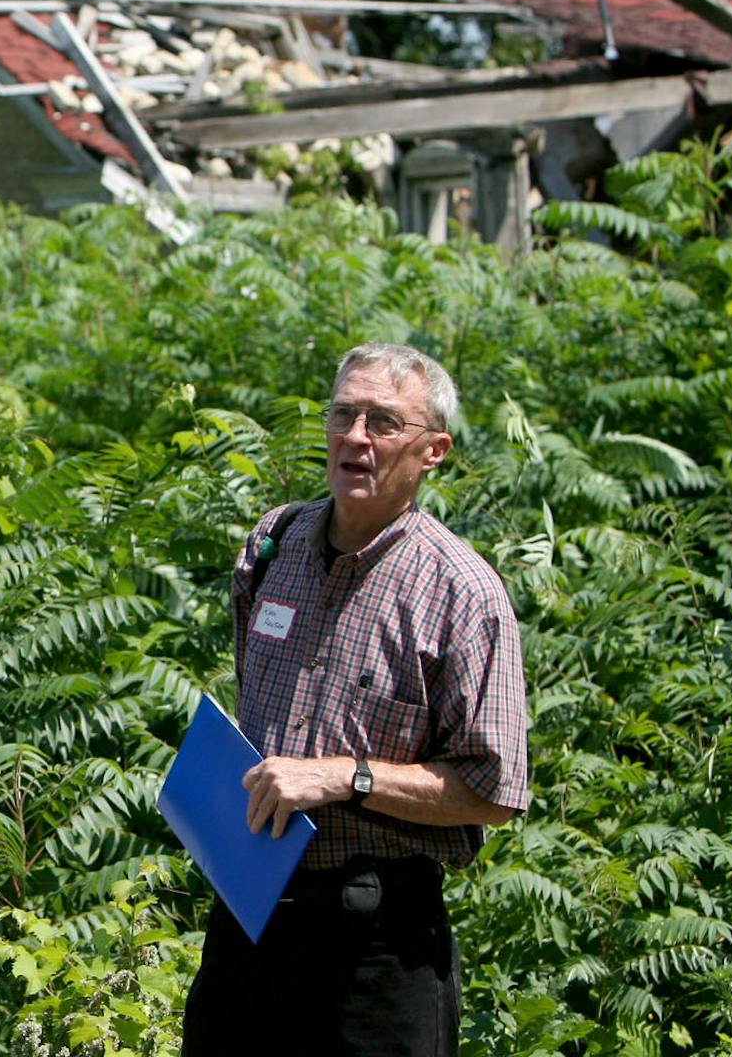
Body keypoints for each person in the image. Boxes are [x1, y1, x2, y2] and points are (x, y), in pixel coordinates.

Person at [181, 342, 531, 1056]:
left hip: (377, 946)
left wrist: (346, 776)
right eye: (344, 414)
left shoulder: (462, 594)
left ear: (433, 451)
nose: (355, 438)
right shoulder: (272, 544)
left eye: (383, 422)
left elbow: (494, 790)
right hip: (247, 919)